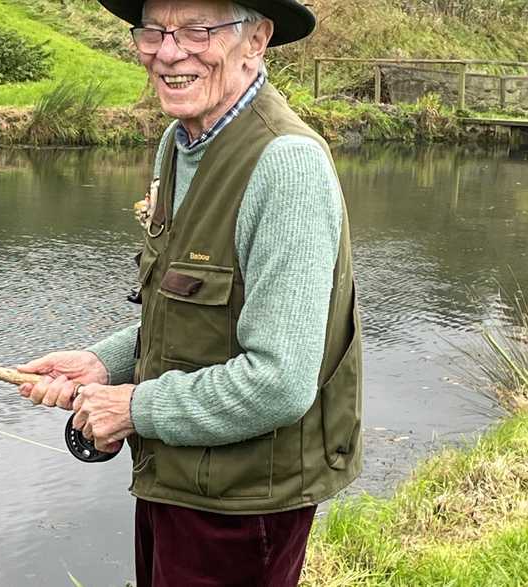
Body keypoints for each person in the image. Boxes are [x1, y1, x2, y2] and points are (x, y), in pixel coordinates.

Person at [18, 0, 362, 583]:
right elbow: (190, 312)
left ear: (256, 39)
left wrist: (132, 407)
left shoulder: (288, 167)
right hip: (174, 475)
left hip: (243, 502)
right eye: (154, 30)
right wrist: (104, 364)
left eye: (198, 30)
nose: (169, 52)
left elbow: (279, 382)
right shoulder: (179, 144)